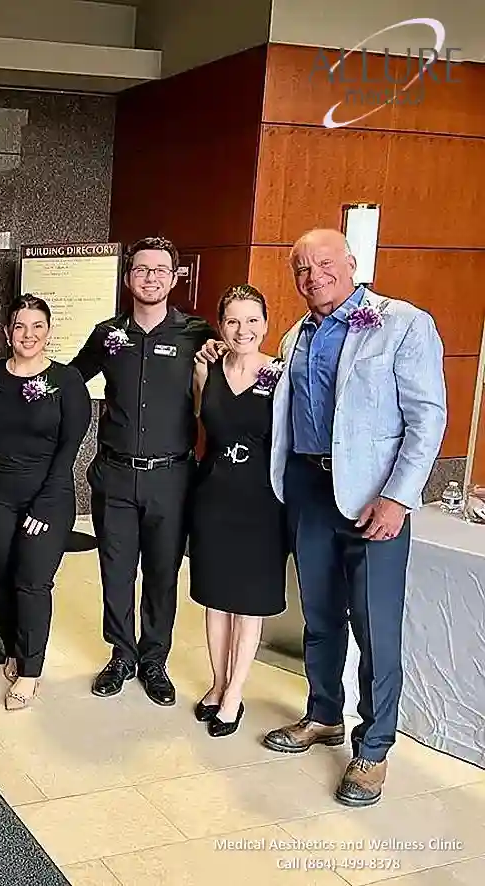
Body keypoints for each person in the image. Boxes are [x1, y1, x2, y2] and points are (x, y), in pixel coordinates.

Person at [262, 228, 445, 806]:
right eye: (300, 268)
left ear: (352, 264)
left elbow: (428, 418)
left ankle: (374, 747)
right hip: (311, 492)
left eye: (323, 264)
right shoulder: (297, 335)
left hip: (374, 500)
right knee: (318, 616)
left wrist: (399, 498)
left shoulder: (403, 323)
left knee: (375, 628)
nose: (312, 276)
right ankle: (322, 715)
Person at [70, 236, 216, 706]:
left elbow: (236, 383)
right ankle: (121, 654)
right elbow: (70, 383)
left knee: (161, 572)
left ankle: (154, 659)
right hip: (114, 473)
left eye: (160, 270)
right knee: (115, 570)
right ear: (128, 276)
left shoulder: (198, 335)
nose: (150, 277)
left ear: (175, 277)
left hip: (171, 477)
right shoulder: (107, 334)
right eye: (141, 269)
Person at [0, 295, 89, 710]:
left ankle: (30, 672)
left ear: (48, 332)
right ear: (7, 332)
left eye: (38, 326)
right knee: (2, 575)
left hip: (48, 496)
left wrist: (44, 504)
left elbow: (69, 449)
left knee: (32, 581)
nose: (28, 335)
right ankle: (13, 647)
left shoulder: (67, 382)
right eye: (20, 326)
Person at [188, 285, 287, 738]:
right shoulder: (207, 367)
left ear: (266, 325)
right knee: (215, 595)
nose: (242, 330)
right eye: (232, 321)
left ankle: (235, 694)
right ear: (220, 324)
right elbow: (199, 423)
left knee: (247, 602)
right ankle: (216, 681)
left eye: (251, 321)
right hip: (213, 495)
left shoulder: (282, 375)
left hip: (263, 501)